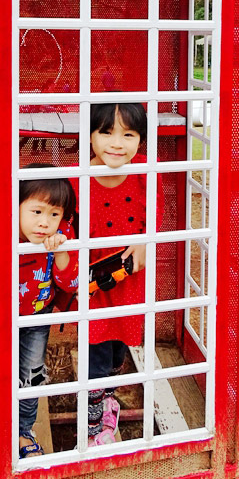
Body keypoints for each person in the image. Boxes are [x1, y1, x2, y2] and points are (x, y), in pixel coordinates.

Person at [70, 103, 163, 447]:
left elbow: (155, 213)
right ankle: (95, 427)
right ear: (90, 136)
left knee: (117, 351)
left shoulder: (145, 171)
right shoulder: (76, 178)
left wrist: (145, 241)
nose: (116, 143)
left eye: (128, 134)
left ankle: (106, 397)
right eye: (106, 132)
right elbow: (63, 223)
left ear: (141, 140)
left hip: (129, 280)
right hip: (93, 283)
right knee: (94, 351)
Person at [18, 166, 77, 458]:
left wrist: (63, 251)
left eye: (54, 214)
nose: (44, 223)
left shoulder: (62, 234)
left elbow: (71, 282)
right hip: (2, 317)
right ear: (17, 206)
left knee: (31, 374)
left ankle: (23, 430)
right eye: (36, 212)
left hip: (39, 316)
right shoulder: (6, 234)